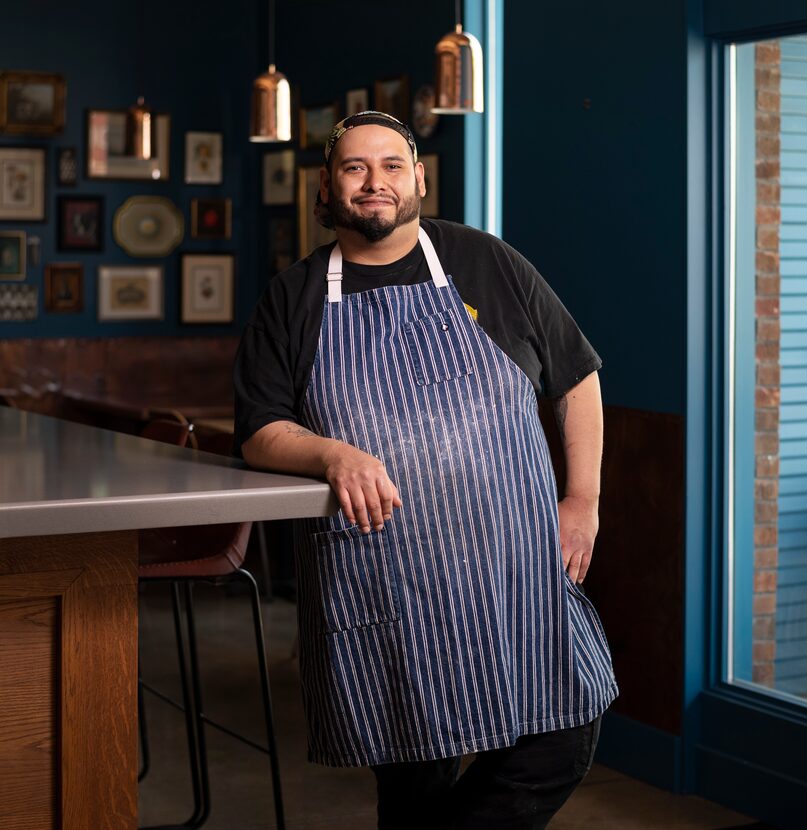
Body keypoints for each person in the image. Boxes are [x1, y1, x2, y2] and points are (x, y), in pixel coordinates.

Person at [234, 111, 618, 829]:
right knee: (416, 775)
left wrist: (583, 498)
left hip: (512, 570)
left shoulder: (487, 263)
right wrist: (332, 452)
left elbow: (575, 379)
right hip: (387, 581)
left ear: (417, 178)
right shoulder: (294, 297)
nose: (374, 181)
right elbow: (260, 429)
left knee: (564, 735)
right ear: (329, 186)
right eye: (354, 168)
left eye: (390, 165)